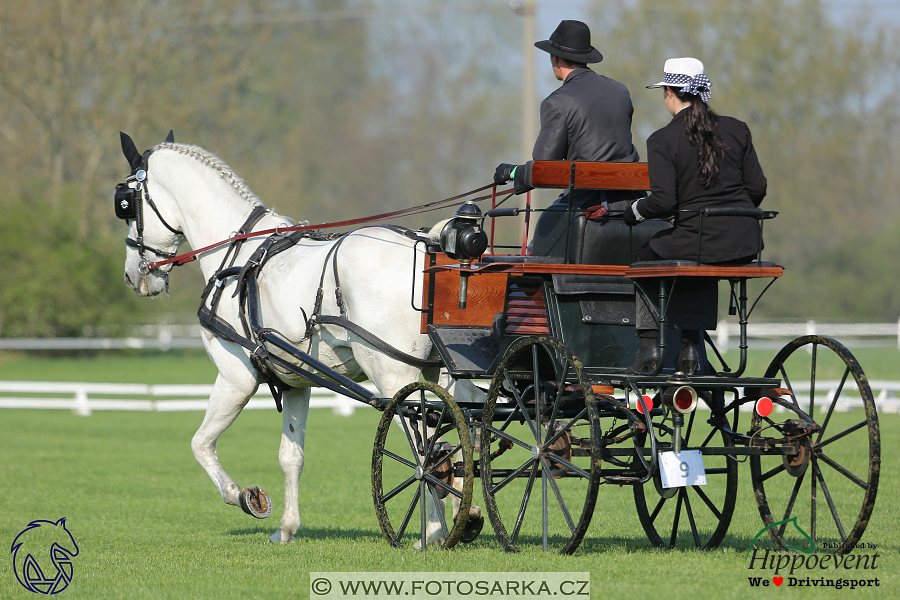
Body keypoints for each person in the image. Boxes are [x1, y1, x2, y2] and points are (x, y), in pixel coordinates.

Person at [624, 57, 767, 374]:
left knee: (647, 256)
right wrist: (735, 215)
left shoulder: (663, 139)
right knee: (697, 253)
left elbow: (662, 202)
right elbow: (758, 186)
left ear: (670, 93)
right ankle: (691, 348)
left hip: (700, 240)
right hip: (746, 242)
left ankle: (648, 351)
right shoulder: (737, 129)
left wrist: (633, 211)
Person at [493, 20, 640, 211]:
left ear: (555, 58)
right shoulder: (621, 91)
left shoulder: (557, 102)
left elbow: (544, 166)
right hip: (633, 203)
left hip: (588, 206)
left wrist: (512, 172)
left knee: (542, 233)